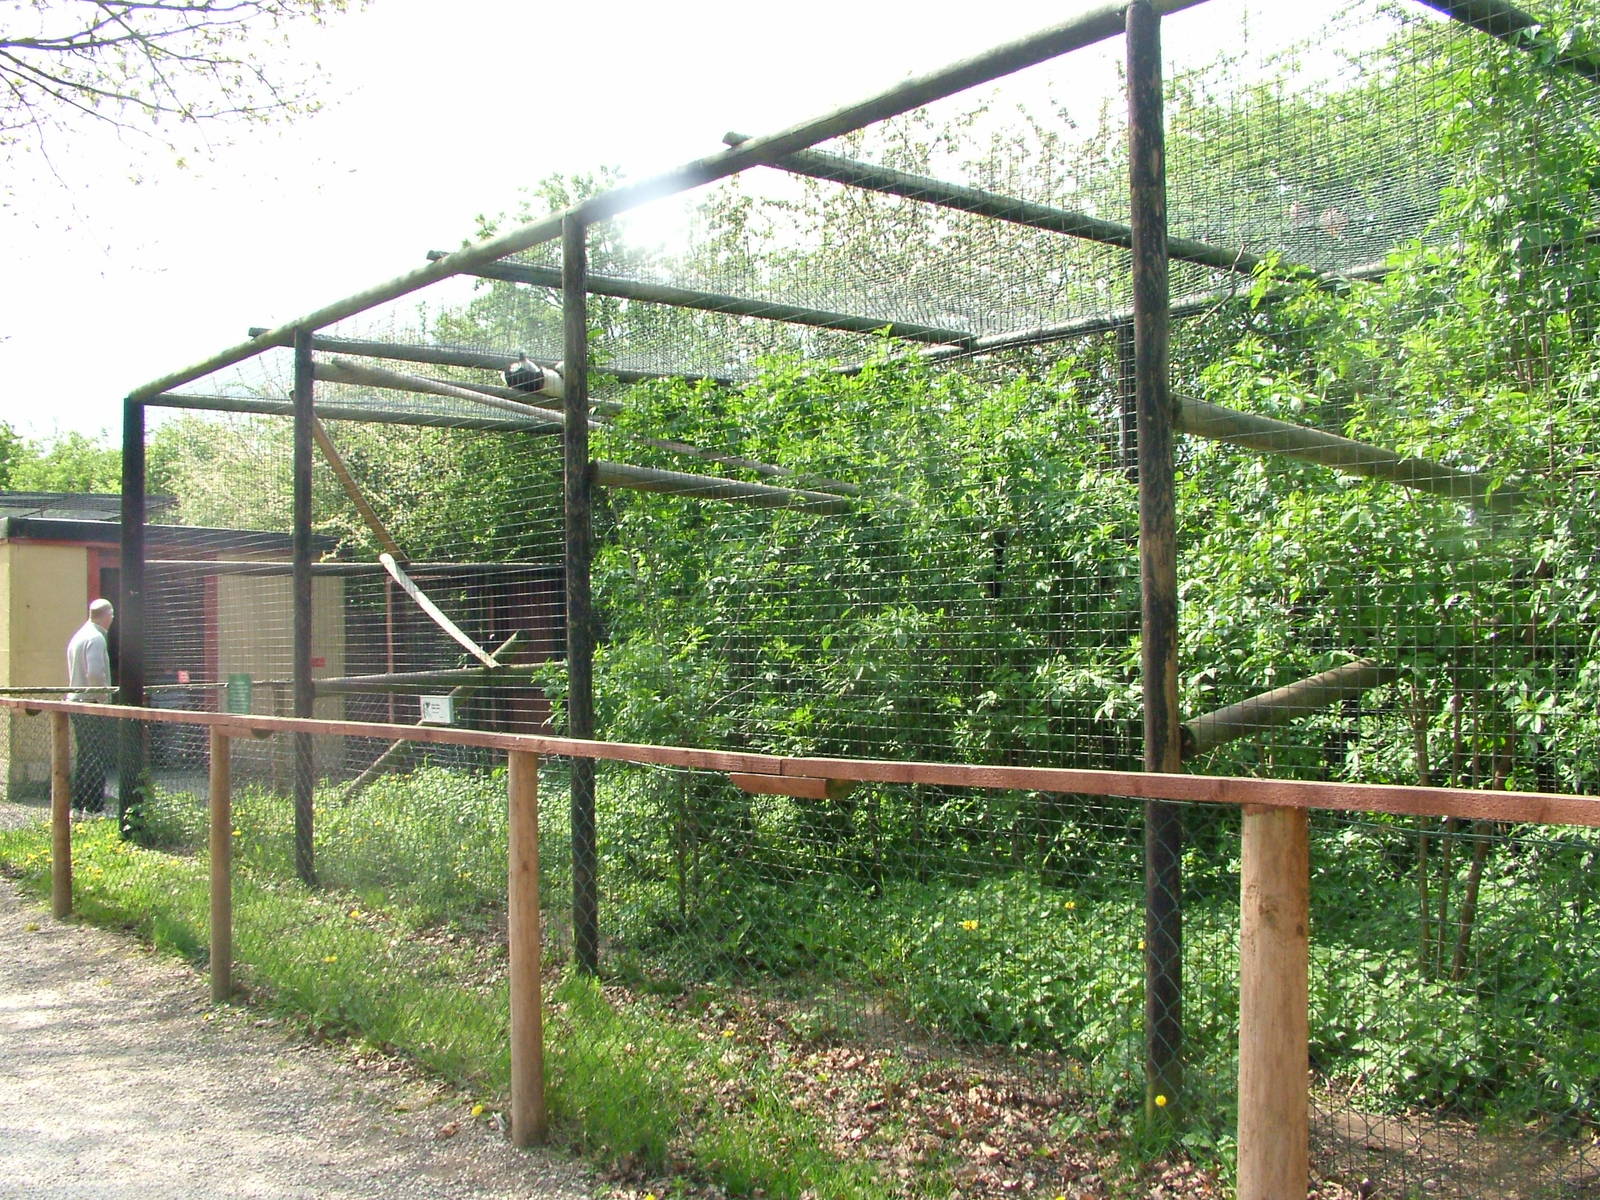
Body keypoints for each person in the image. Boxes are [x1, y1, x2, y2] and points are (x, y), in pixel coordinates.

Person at [66, 598, 115, 814]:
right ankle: (94, 808)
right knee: (96, 755)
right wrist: (103, 697)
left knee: (85, 755)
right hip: (91, 704)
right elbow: (95, 673)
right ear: (108, 616)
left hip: (76, 702)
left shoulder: (79, 635)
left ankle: (78, 805)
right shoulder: (96, 638)